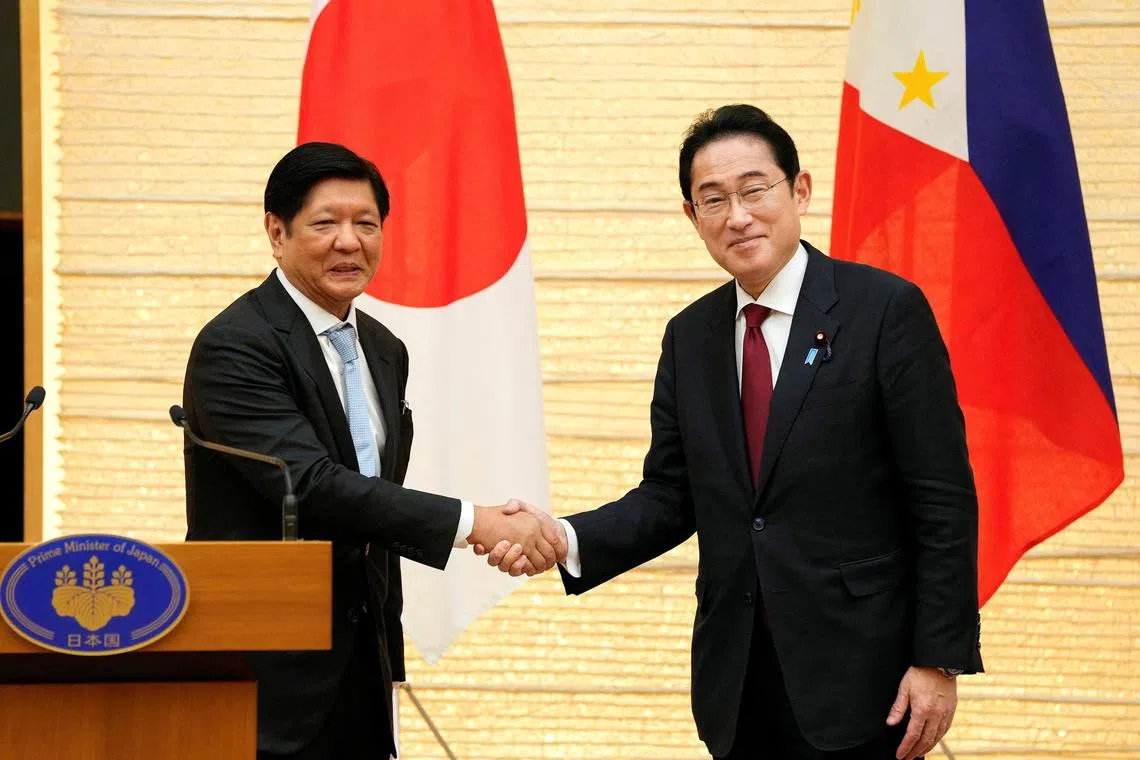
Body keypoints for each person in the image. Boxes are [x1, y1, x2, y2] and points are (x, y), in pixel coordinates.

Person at [481, 105, 983, 760]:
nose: (737, 216)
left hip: (866, 674)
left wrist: (938, 659)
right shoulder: (690, 337)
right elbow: (670, 497)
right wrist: (563, 538)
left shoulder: (884, 311)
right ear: (692, 216)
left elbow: (942, 497)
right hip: (739, 679)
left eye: (754, 190)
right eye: (713, 200)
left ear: (799, 190)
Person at [181, 141, 560, 760]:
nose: (349, 242)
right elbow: (312, 485)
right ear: (277, 233)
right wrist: (475, 522)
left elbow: (372, 512)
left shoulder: (382, 347)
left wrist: (388, 659)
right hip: (264, 676)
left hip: (360, 669)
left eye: (366, 223)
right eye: (325, 223)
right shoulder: (237, 345)